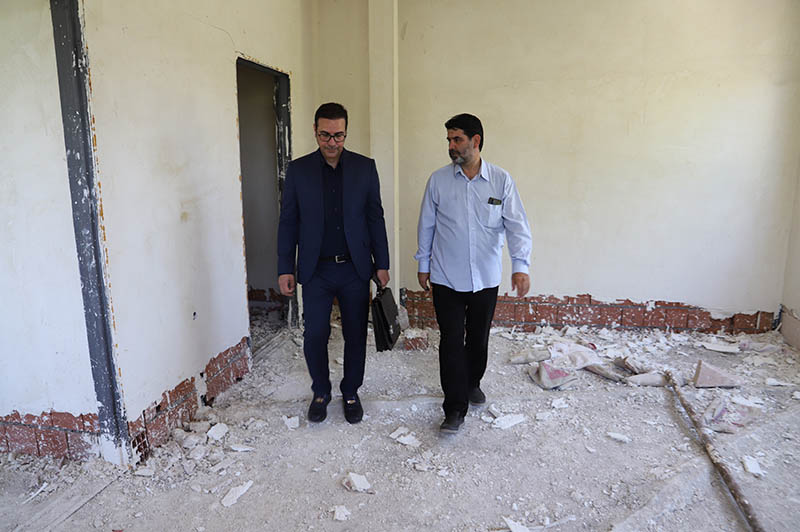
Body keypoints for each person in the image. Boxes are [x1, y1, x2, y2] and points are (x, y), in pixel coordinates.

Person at [415, 113, 532, 433]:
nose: (451, 146)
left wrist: (520, 267)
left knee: (478, 340)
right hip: (446, 277)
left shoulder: (501, 181)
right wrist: (423, 265)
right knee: (451, 341)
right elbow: (426, 225)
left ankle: (472, 382)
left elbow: (517, 226)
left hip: (485, 278)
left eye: (457, 139)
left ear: (475, 141)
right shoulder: (438, 181)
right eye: (449, 140)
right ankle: (454, 408)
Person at [278, 102, 390, 424]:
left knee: (355, 334)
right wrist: (285, 267)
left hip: (355, 268)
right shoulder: (298, 171)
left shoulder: (365, 168)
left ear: (346, 133)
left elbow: (375, 217)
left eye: (338, 135)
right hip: (317, 269)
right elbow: (288, 222)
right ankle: (321, 391)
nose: (331, 142)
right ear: (315, 132)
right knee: (315, 334)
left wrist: (381, 263)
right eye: (325, 135)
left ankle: (351, 392)